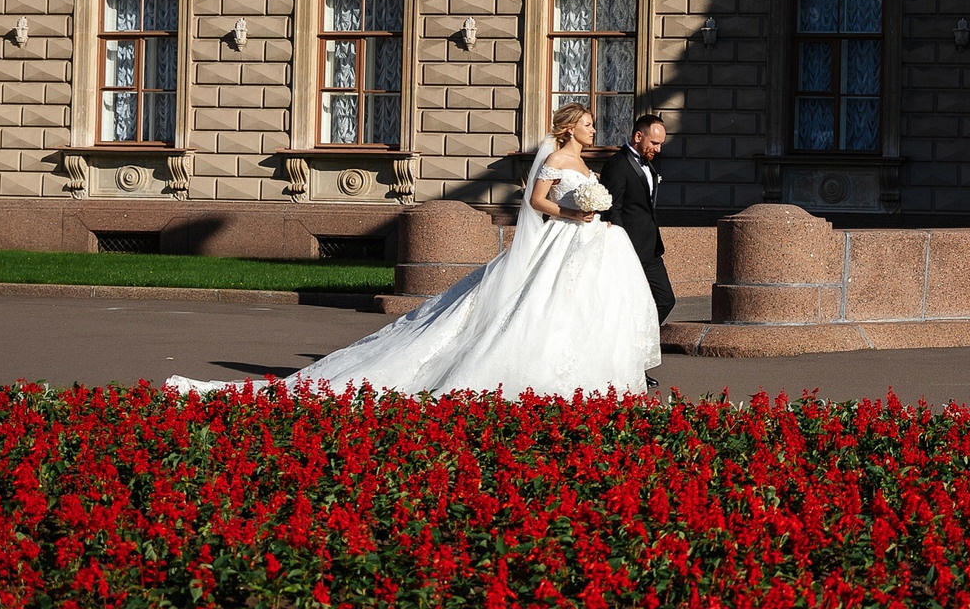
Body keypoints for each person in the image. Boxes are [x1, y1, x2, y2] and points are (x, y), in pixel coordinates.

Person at [164, 103, 659, 397]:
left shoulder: (584, 161)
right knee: (534, 306)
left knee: (574, 309)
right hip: (561, 238)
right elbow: (536, 201)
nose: (594, 130)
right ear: (570, 128)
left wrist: (591, 211)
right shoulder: (555, 158)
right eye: (588, 124)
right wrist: (572, 214)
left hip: (583, 245)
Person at [603, 110, 674, 323]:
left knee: (665, 300)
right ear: (638, 136)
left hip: (650, 249)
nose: (658, 149)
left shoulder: (648, 164)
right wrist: (622, 247)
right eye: (654, 143)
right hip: (629, 249)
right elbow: (612, 209)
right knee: (627, 302)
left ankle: (639, 335)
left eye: (660, 144)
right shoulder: (617, 165)